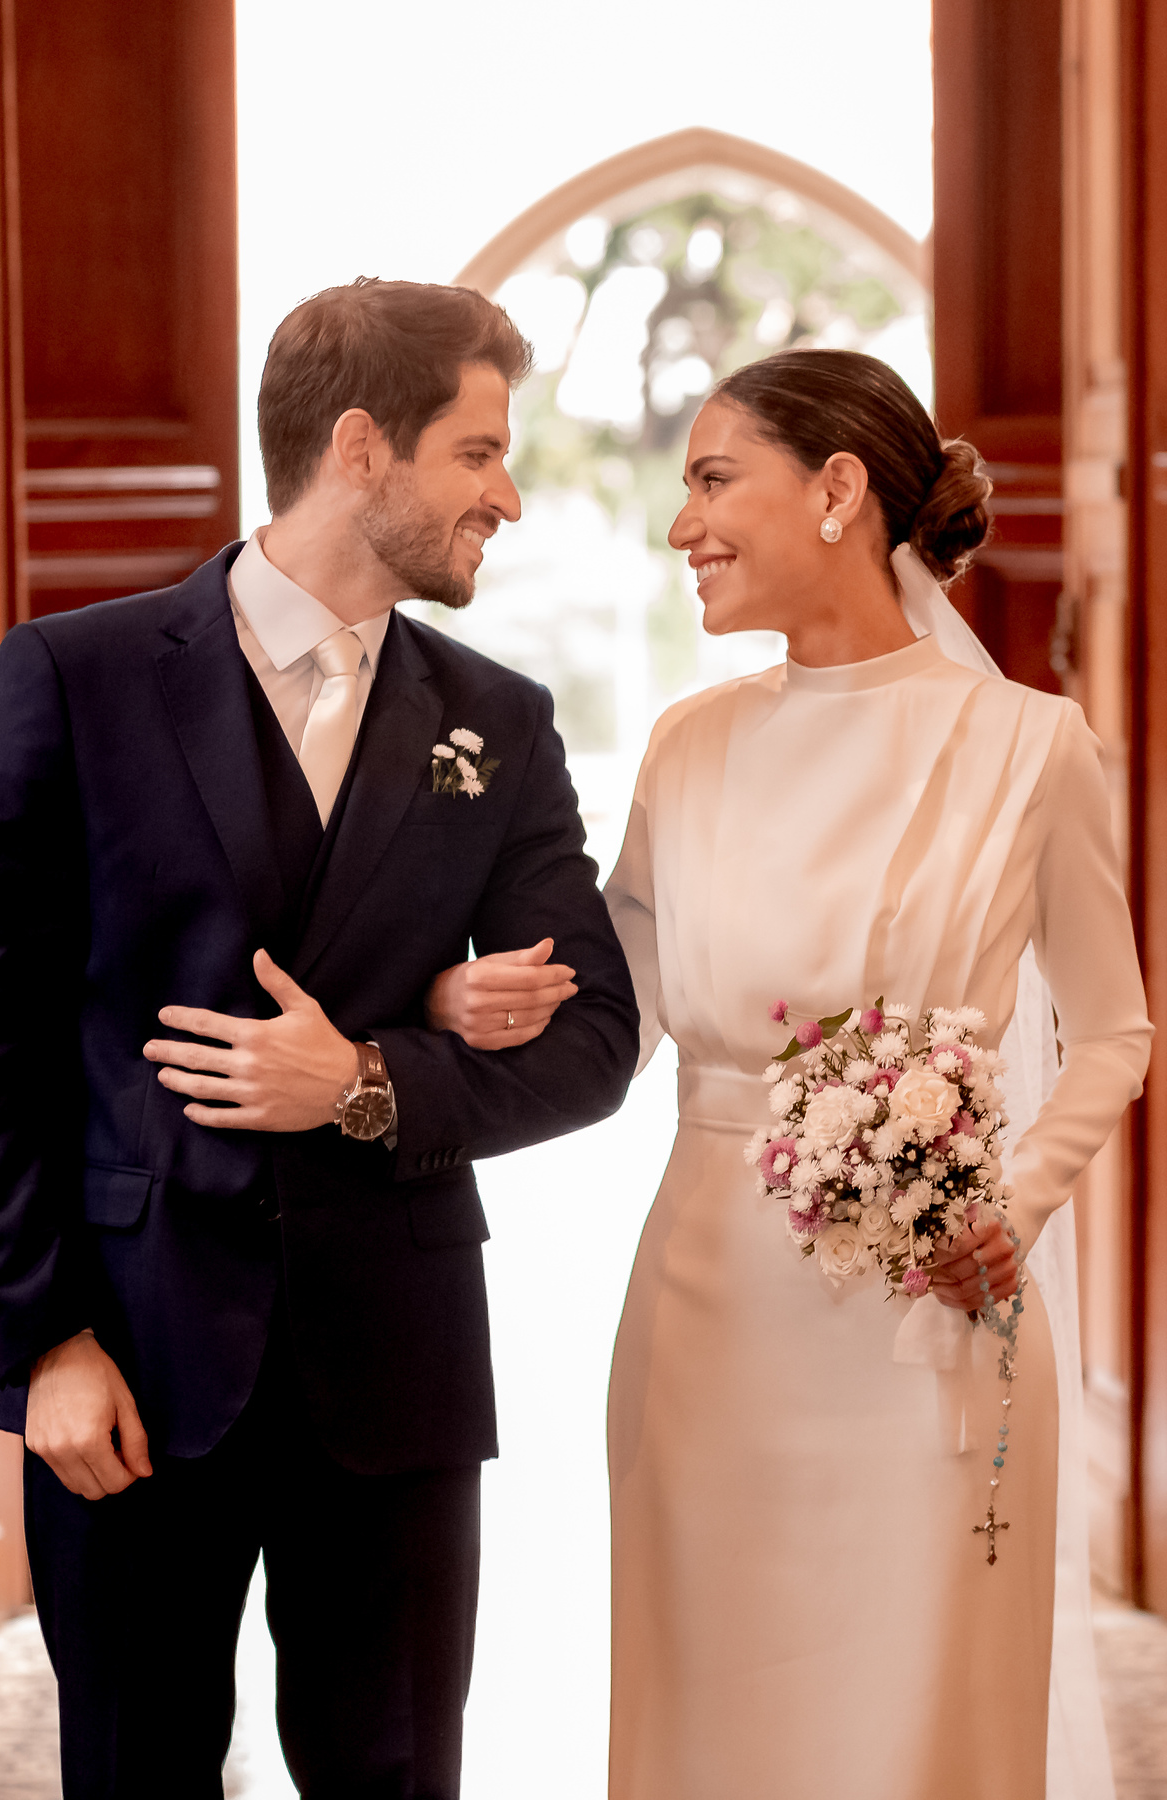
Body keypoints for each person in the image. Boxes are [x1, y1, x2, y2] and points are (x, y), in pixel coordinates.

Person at [437, 348, 1151, 1799]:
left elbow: (1117, 1032)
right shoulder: (689, 748)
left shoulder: (1034, 747)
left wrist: (1009, 1204)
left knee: (920, 1714)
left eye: (713, 480)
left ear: (838, 491)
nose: (681, 524)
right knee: (715, 1711)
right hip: (710, 1325)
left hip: (933, 1326)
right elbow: (609, 1020)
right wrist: (456, 1006)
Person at [0, 277, 639, 1799]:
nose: (509, 494)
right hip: (127, 1366)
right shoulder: (73, 681)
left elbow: (595, 1034)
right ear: (360, 448)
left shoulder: (501, 721)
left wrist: (370, 1080)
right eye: (478, 452)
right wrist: (41, 1342)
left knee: (396, 1779)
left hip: (391, 1379)